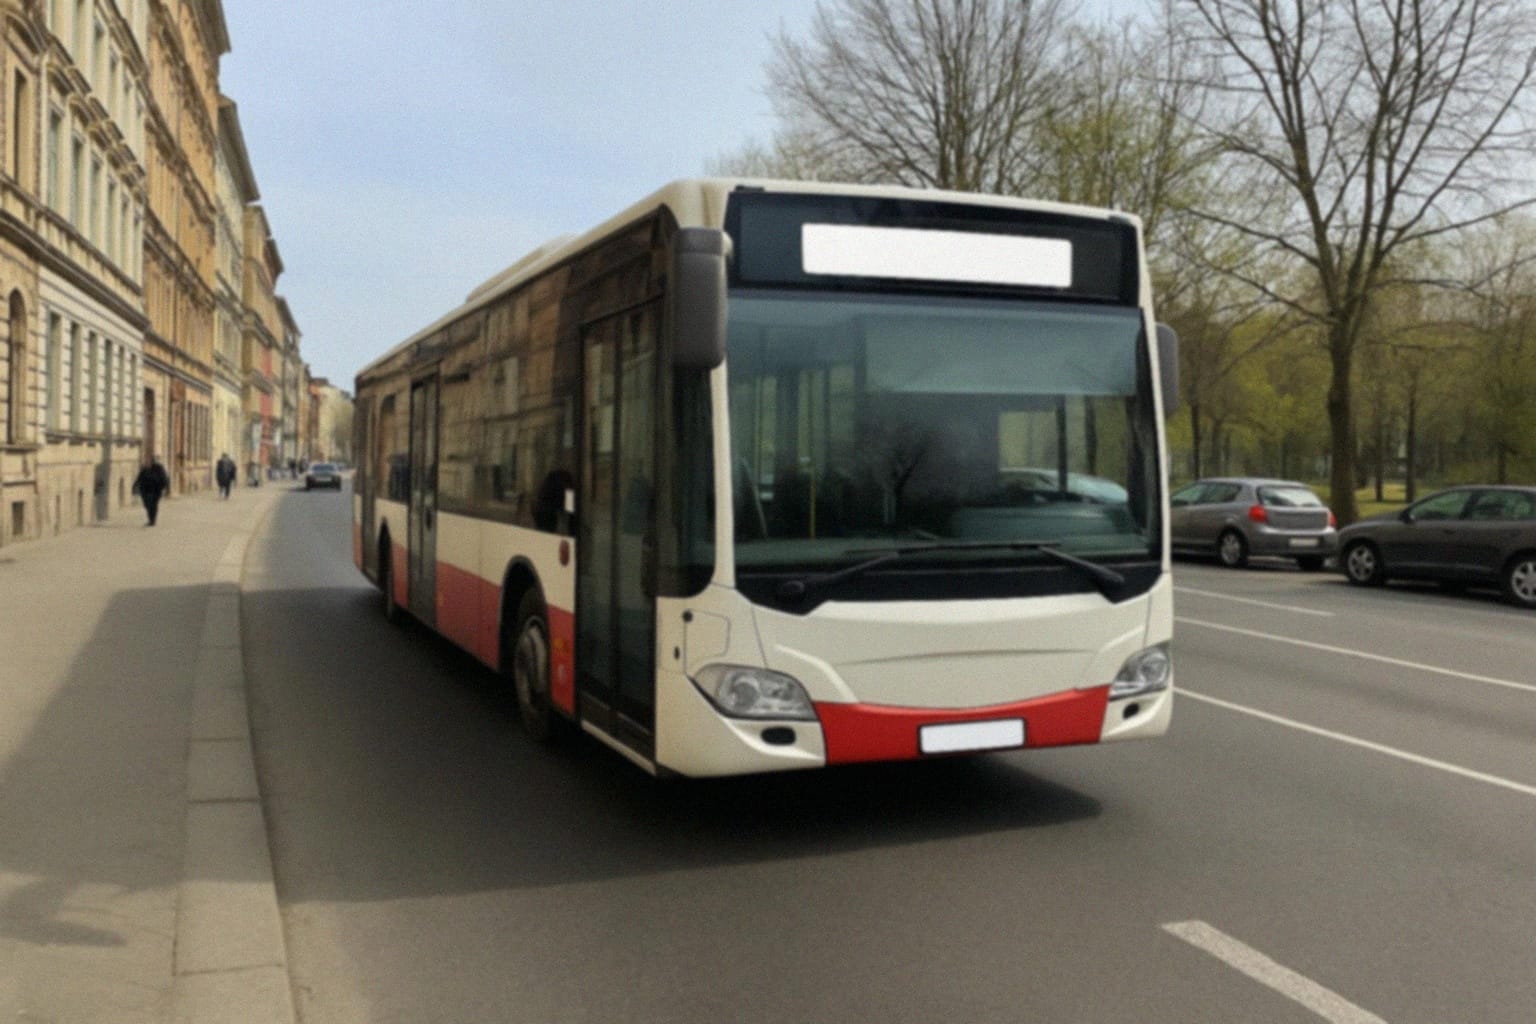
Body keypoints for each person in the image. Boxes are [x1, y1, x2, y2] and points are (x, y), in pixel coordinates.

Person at [133, 458, 171, 526]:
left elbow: (164, 478)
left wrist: (165, 488)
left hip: (156, 490)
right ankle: (151, 519)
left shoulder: (159, 468)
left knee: (153, 505)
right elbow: (139, 477)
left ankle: (152, 520)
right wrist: (135, 486)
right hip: (145, 490)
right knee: (147, 505)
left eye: (150, 462)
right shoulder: (144, 469)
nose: (148, 463)